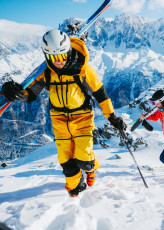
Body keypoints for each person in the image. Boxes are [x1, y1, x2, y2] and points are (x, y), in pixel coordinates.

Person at [1, 29, 126, 197]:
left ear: (68, 50)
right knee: (66, 161)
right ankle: (74, 190)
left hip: (82, 118)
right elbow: (30, 95)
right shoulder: (46, 72)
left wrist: (112, 117)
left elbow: (101, 95)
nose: (58, 62)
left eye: (61, 56)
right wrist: (15, 92)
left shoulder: (84, 71)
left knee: (83, 159)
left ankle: (92, 166)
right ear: (46, 55)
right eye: (53, 58)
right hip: (59, 120)